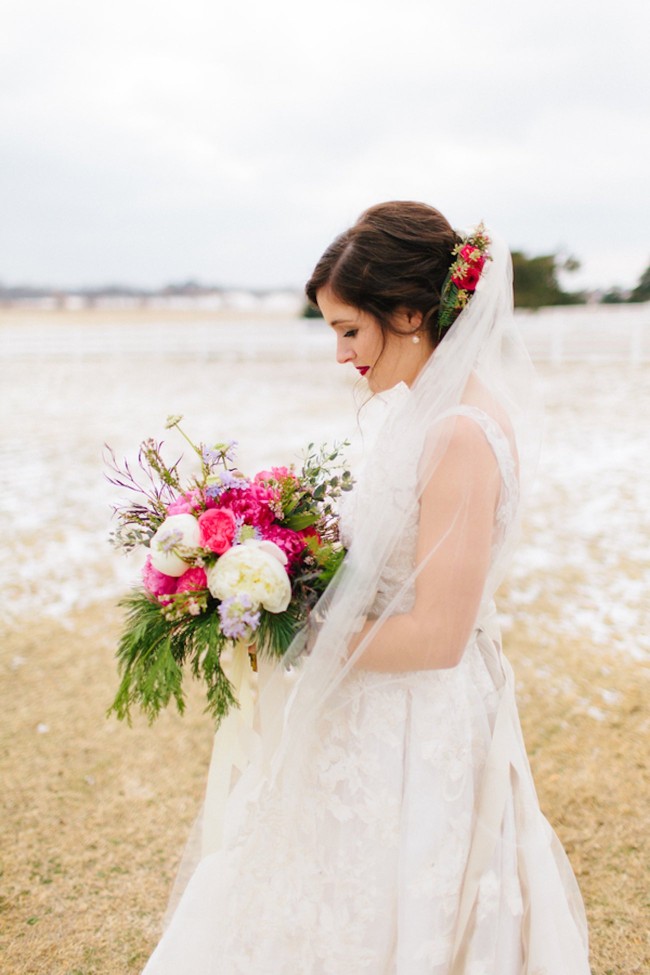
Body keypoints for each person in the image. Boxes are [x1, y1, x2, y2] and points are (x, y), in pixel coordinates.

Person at [142, 202, 591, 974]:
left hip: (417, 725)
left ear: (412, 312)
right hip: (377, 704)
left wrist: (294, 632)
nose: (342, 354)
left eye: (351, 330)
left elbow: (437, 636)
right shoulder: (424, 414)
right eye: (333, 332)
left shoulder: (458, 432)